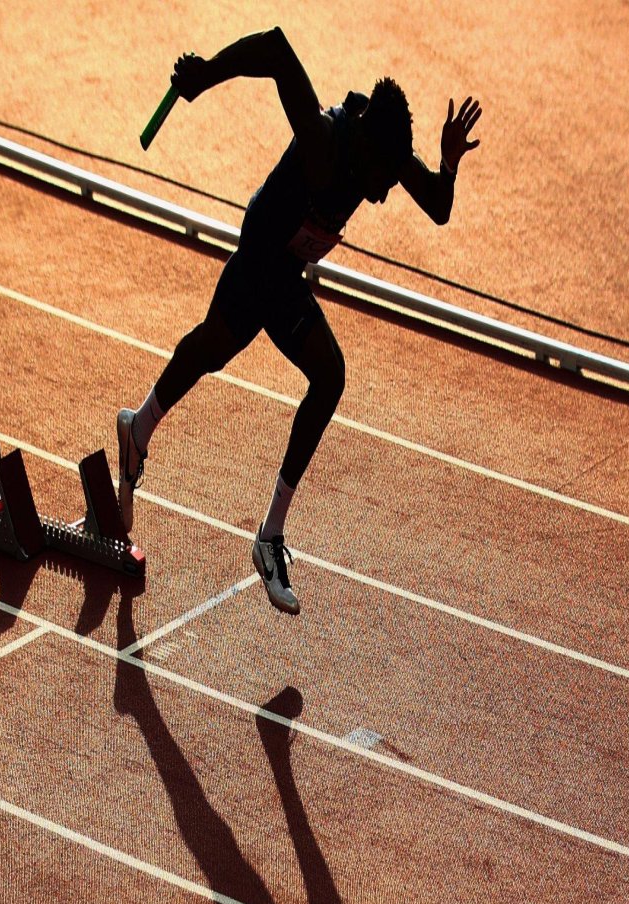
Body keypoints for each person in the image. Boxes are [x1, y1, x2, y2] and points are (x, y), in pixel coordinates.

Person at [117, 27, 482, 615]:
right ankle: (246, 521)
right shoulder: (325, 139)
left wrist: (445, 162)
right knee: (238, 352)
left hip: (282, 271)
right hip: (264, 251)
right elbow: (276, 49)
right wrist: (203, 76)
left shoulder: (382, 150)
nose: (387, 193)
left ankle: (146, 435)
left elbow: (437, 206)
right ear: (364, 150)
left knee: (245, 354)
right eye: (384, 181)